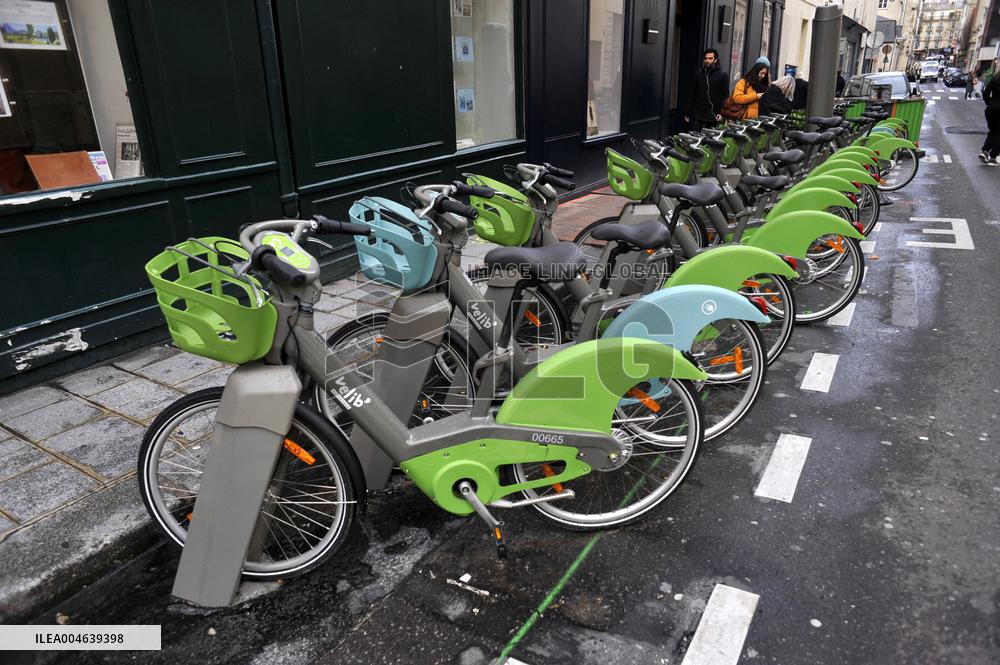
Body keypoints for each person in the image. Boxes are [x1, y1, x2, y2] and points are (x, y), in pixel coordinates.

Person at [684, 48, 729, 131]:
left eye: (710, 58)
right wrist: (687, 112)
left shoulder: (722, 75)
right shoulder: (698, 74)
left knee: (709, 137)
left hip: (714, 114)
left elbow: (725, 95)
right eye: (705, 58)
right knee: (694, 135)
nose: (707, 60)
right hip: (698, 113)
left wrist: (721, 112)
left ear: (715, 60)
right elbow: (692, 94)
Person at [979, 67, 1000, 164]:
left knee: (993, 131)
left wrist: (990, 103)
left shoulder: (995, 79)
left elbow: (985, 93)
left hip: (991, 109)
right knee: (998, 133)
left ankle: (985, 150)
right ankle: (993, 156)